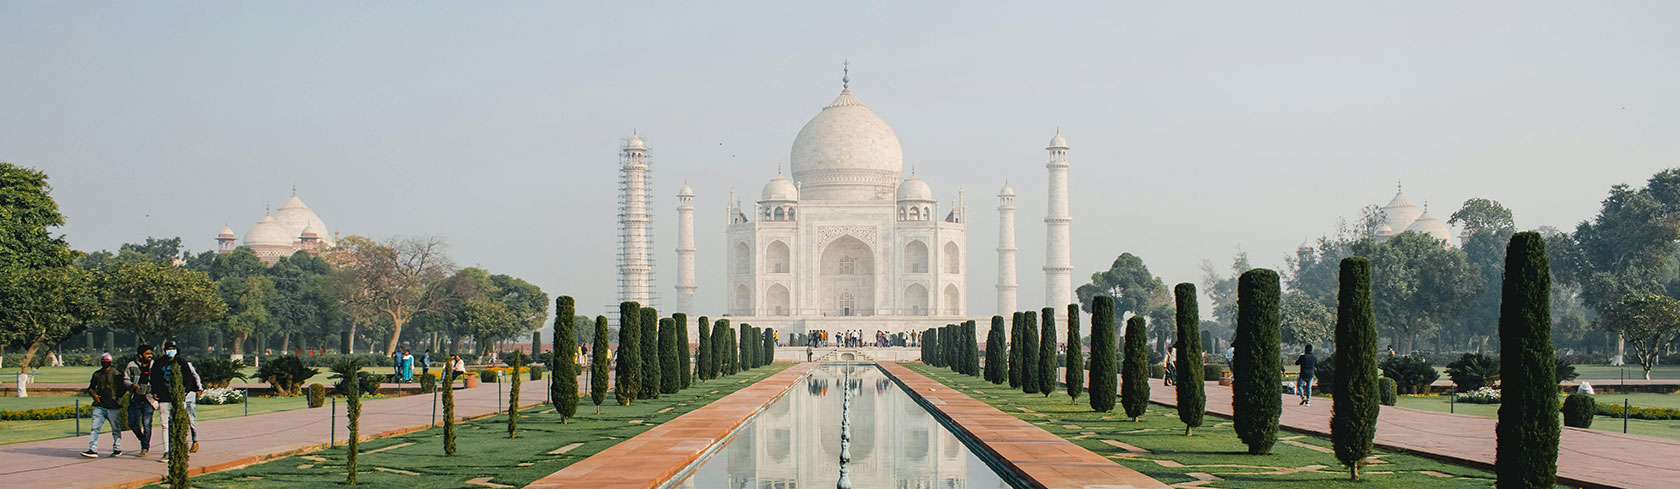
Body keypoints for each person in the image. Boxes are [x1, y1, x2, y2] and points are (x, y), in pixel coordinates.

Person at [149, 341, 203, 458]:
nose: (170, 350)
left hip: (179, 398)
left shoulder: (181, 362)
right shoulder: (159, 363)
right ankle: (167, 451)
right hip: (164, 397)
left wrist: (185, 391)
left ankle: (181, 447)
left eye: (173, 348)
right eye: (168, 348)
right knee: (165, 425)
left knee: (181, 423)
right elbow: (154, 378)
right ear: (165, 350)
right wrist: (154, 391)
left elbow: (189, 378)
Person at [83, 353, 126, 458]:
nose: (105, 362)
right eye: (103, 360)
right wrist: (94, 395)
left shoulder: (116, 374)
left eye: (107, 360)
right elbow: (91, 387)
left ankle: (117, 448)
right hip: (100, 405)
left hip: (113, 405)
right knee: (95, 428)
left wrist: (117, 398)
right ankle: (93, 449)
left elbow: (123, 388)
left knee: (115, 428)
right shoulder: (97, 374)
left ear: (110, 361)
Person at [124, 345, 157, 457]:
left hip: (148, 399)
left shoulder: (154, 366)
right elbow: (126, 379)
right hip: (135, 398)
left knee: (147, 424)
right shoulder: (132, 365)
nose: (150, 356)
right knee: (132, 423)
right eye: (147, 354)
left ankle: (145, 448)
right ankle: (143, 439)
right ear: (140, 355)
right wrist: (131, 385)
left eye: (150, 354)